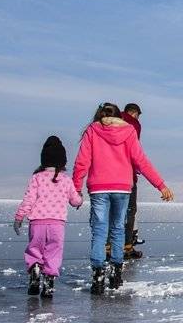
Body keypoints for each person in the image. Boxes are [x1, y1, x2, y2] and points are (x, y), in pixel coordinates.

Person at [73, 103, 173, 294]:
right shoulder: (128, 131)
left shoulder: (93, 130)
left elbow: (82, 161)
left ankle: (98, 276)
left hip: (98, 188)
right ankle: (116, 274)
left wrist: (76, 188)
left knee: (99, 231)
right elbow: (140, 160)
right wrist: (160, 185)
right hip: (122, 187)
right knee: (118, 229)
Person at [14, 136, 82, 298]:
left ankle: (35, 270)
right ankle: (48, 283)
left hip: (37, 223)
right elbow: (74, 200)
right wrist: (80, 199)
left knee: (35, 249)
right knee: (53, 252)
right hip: (57, 224)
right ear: (63, 161)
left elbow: (29, 200)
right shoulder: (66, 180)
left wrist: (19, 217)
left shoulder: (36, 178)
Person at [120, 102, 143, 260]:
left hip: (104, 179)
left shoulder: (105, 124)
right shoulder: (133, 125)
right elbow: (134, 150)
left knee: (112, 213)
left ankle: (108, 247)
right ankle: (127, 245)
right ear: (134, 113)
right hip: (127, 175)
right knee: (130, 210)